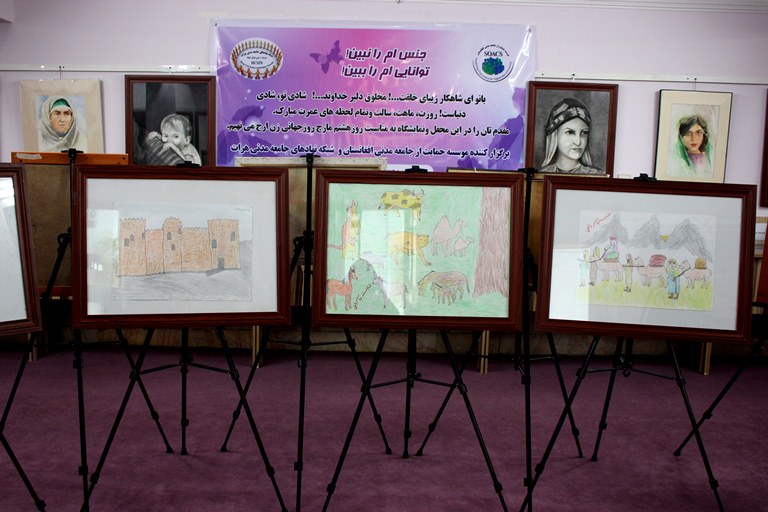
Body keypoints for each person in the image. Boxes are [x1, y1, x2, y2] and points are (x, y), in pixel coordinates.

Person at [540, 97, 602, 174]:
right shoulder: (540, 175)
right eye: (570, 132)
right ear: (554, 135)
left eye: (584, 132)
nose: (578, 142)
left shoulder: (597, 175)